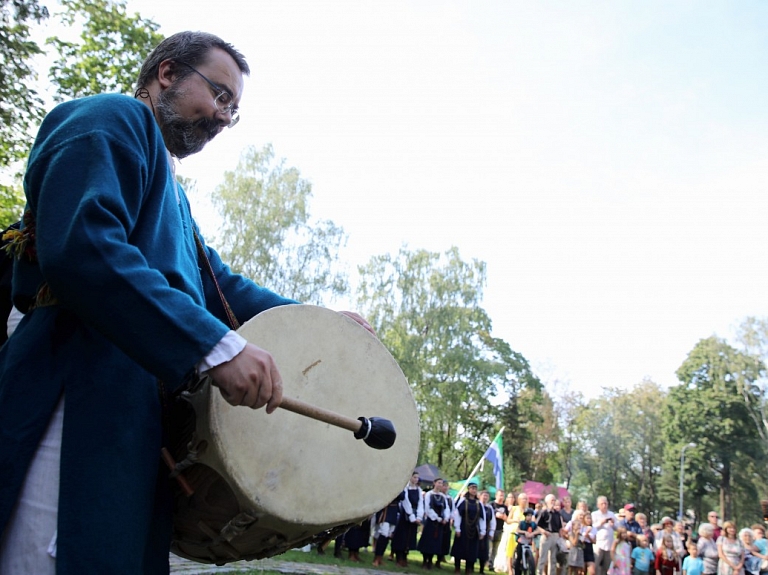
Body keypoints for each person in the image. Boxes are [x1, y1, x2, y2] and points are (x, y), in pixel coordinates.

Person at [0, 31, 375, 575]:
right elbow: (83, 246)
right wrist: (211, 346)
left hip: (132, 406)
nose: (224, 116)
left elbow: (222, 287)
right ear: (168, 73)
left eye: (233, 109)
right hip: (76, 383)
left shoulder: (174, 196)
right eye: (219, 94)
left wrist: (319, 323)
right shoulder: (109, 118)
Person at [452, 482, 487, 574]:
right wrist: (457, 528)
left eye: (475, 489)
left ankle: (468, 568)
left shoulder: (479, 503)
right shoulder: (463, 501)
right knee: (459, 548)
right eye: (472, 488)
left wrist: (482, 531)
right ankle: (457, 568)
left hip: (473, 529)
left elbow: (482, 518)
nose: (474, 490)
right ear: (468, 489)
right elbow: (458, 515)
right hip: (463, 527)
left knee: (471, 550)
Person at [393, 471, 424, 567]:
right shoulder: (405, 488)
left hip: (415, 516)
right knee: (401, 537)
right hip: (405, 516)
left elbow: (420, 504)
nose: (416, 479)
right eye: (414, 477)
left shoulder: (419, 490)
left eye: (417, 477)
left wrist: (419, 517)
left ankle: (405, 557)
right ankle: (399, 558)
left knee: (409, 538)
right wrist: (411, 516)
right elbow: (405, 502)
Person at [419, 478, 451, 570]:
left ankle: (430, 561)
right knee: (428, 541)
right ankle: (425, 561)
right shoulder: (429, 494)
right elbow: (428, 508)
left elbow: (446, 508)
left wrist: (445, 518)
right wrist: (437, 518)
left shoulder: (443, 496)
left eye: (441, 483)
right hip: (431, 521)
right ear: (434, 483)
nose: (440, 485)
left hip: (440, 523)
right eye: (439, 483)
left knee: (436, 543)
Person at [372, 493, 403, 566]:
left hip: (394, 511)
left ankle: (380, 557)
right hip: (385, 511)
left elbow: (402, 496)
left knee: (388, 535)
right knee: (383, 534)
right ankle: (376, 558)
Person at [538, 494, 565, 575]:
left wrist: (560, 538)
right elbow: (537, 525)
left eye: (554, 500)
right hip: (546, 536)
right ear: (547, 502)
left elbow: (560, 527)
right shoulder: (544, 512)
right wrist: (544, 532)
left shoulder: (557, 513)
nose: (553, 502)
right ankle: (539, 572)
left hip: (555, 536)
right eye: (551, 500)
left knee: (553, 559)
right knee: (543, 558)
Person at [592, 496, 618, 575]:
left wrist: (613, 524)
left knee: (606, 566)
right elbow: (591, 527)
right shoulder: (594, 514)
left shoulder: (611, 514)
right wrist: (601, 523)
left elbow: (617, 528)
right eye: (602, 504)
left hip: (609, 544)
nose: (604, 505)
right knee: (596, 565)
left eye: (605, 503)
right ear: (598, 505)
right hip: (598, 543)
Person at [507, 493, 531, 574]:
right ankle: (510, 570)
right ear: (519, 500)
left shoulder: (528, 511)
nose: (525, 500)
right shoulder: (514, 508)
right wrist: (515, 520)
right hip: (514, 532)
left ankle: (522, 567)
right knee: (510, 551)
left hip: (524, 534)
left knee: (522, 551)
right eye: (523, 499)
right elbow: (508, 520)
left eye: (526, 499)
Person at [515, 508, 543, 575]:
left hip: (529, 543)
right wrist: (524, 532)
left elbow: (538, 530)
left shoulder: (533, 524)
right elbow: (517, 530)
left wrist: (533, 533)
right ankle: (517, 571)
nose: (529, 517)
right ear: (525, 516)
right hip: (521, 542)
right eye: (528, 515)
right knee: (518, 558)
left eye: (530, 516)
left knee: (530, 556)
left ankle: (531, 569)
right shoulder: (522, 523)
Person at [490, 490, 510, 572]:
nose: (501, 497)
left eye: (502, 495)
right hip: (490, 529)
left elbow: (507, 519)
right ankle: (484, 562)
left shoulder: (505, 507)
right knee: (488, 547)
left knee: (495, 548)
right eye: (500, 495)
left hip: (499, 529)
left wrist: (504, 517)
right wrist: (495, 515)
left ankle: (491, 564)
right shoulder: (491, 504)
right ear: (496, 495)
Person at [479, 490, 497, 574]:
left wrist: (491, 532)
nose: (485, 497)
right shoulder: (477, 505)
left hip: (486, 531)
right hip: (475, 531)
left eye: (487, 496)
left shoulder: (489, 508)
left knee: (484, 551)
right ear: (480, 496)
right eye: (484, 495)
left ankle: (481, 569)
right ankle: (470, 567)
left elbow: (492, 521)